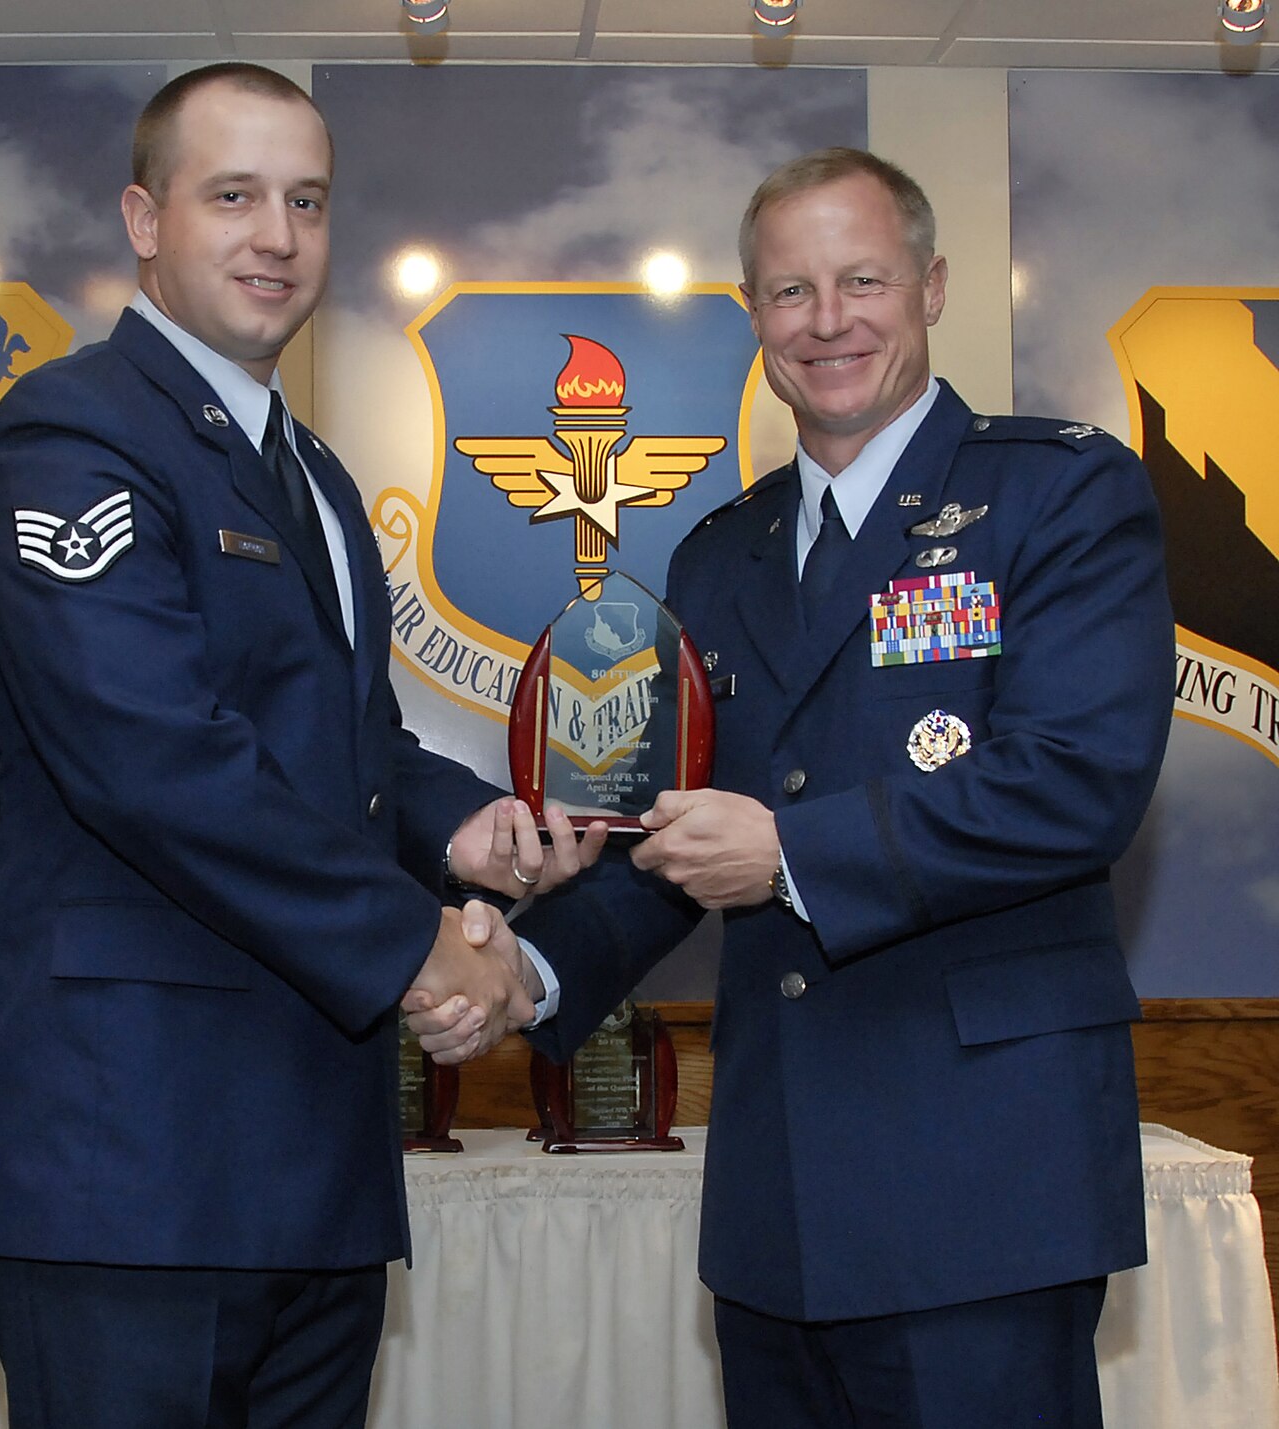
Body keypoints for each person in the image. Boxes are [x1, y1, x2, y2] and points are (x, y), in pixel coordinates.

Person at [418, 147, 1174, 1428]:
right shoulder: (720, 555)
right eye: (787, 291)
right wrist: (522, 975)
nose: (827, 321)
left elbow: (1075, 782)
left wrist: (792, 855)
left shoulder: (1057, 492)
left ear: (930, 285)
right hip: (777, 1192)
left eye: (861, 279)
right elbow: (670, 843)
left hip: (983, 1182)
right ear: (752, 317)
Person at [0, 63, 601, 1429]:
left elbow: (350, 749)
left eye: (305, 202)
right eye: (232, 196)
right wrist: (418, 942)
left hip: (313, 1157)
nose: (276, 237)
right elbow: (157, 762)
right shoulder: (72, 432)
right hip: (129, 1165)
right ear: (143, 215)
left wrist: (465, 824)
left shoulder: (307, 474)